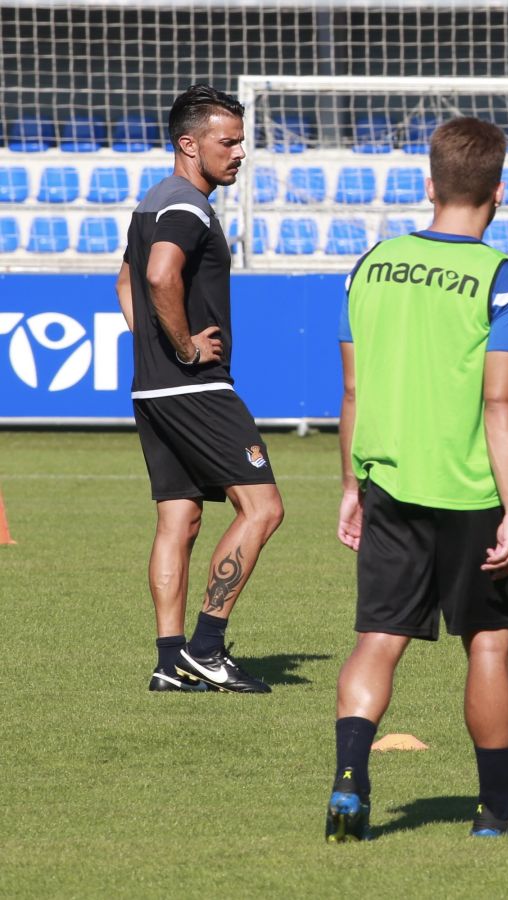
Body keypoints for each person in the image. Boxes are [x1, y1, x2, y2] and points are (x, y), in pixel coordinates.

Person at [328, 117, 508, 842]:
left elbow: (353, 393)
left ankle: (347, 782)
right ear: (497, 191)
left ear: (429, 185)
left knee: (377, 638)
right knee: (489, 644)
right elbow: (502, 401)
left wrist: (349, 484)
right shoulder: (504, 277)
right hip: (470, 492)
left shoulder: (369, 263)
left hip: (388, 484)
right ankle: (496, 813)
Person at [117, 83, 284, 694]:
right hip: (195, 388)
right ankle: (207, 647)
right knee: (263, 508)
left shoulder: (154, 201)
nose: (240, 152)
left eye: (242, 141)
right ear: (189, 144)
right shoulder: (187, 205)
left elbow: (125, 283)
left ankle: (169, 659)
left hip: (152, 390)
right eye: (228, 141)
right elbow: (158, 275)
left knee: (178, 520)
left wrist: (154, 350)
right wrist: (185, 348)